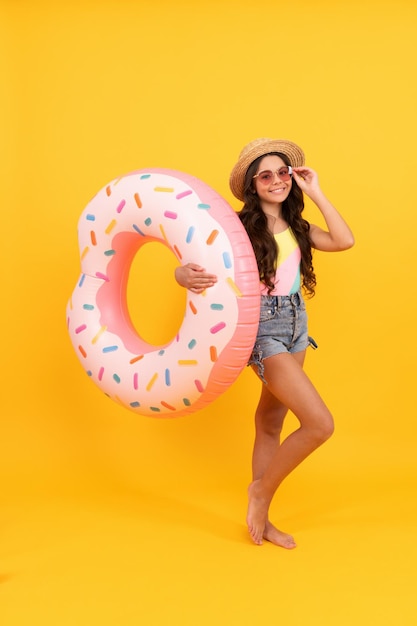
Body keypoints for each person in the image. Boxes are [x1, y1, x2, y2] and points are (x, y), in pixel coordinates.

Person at [175, 137, 354, 548]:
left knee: (270, 421)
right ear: (253, 185)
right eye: (266, 175)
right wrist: (182, 276)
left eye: (283, 172)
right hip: (263, 327)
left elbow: (344, 241)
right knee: (319, 424)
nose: (277, 180)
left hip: (296, 322)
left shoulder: (298, 227)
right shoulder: (236, 227)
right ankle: (260, 492)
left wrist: (316, 191)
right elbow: (190, 262)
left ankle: (264, 516)